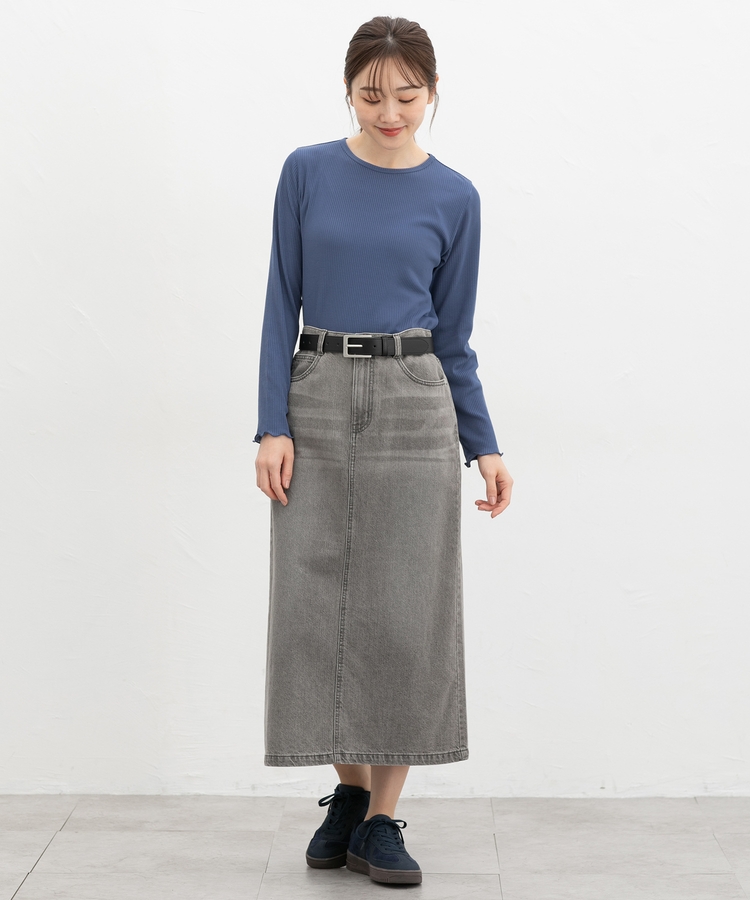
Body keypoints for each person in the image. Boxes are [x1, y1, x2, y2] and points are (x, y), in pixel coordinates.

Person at [254, 15, 513, 887]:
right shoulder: (307, 171)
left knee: (407, 608)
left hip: (414, 399)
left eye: (408, 95)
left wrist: (484, 445)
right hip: (316, 391)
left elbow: (456, 337)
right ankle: (352, 792)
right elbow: (279, 300)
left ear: (433, 92)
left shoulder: (456, 197)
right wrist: (272, 423)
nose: (391, 112)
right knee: (312, 605)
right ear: (348, 91)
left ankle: (382, 819)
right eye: (372, 95)